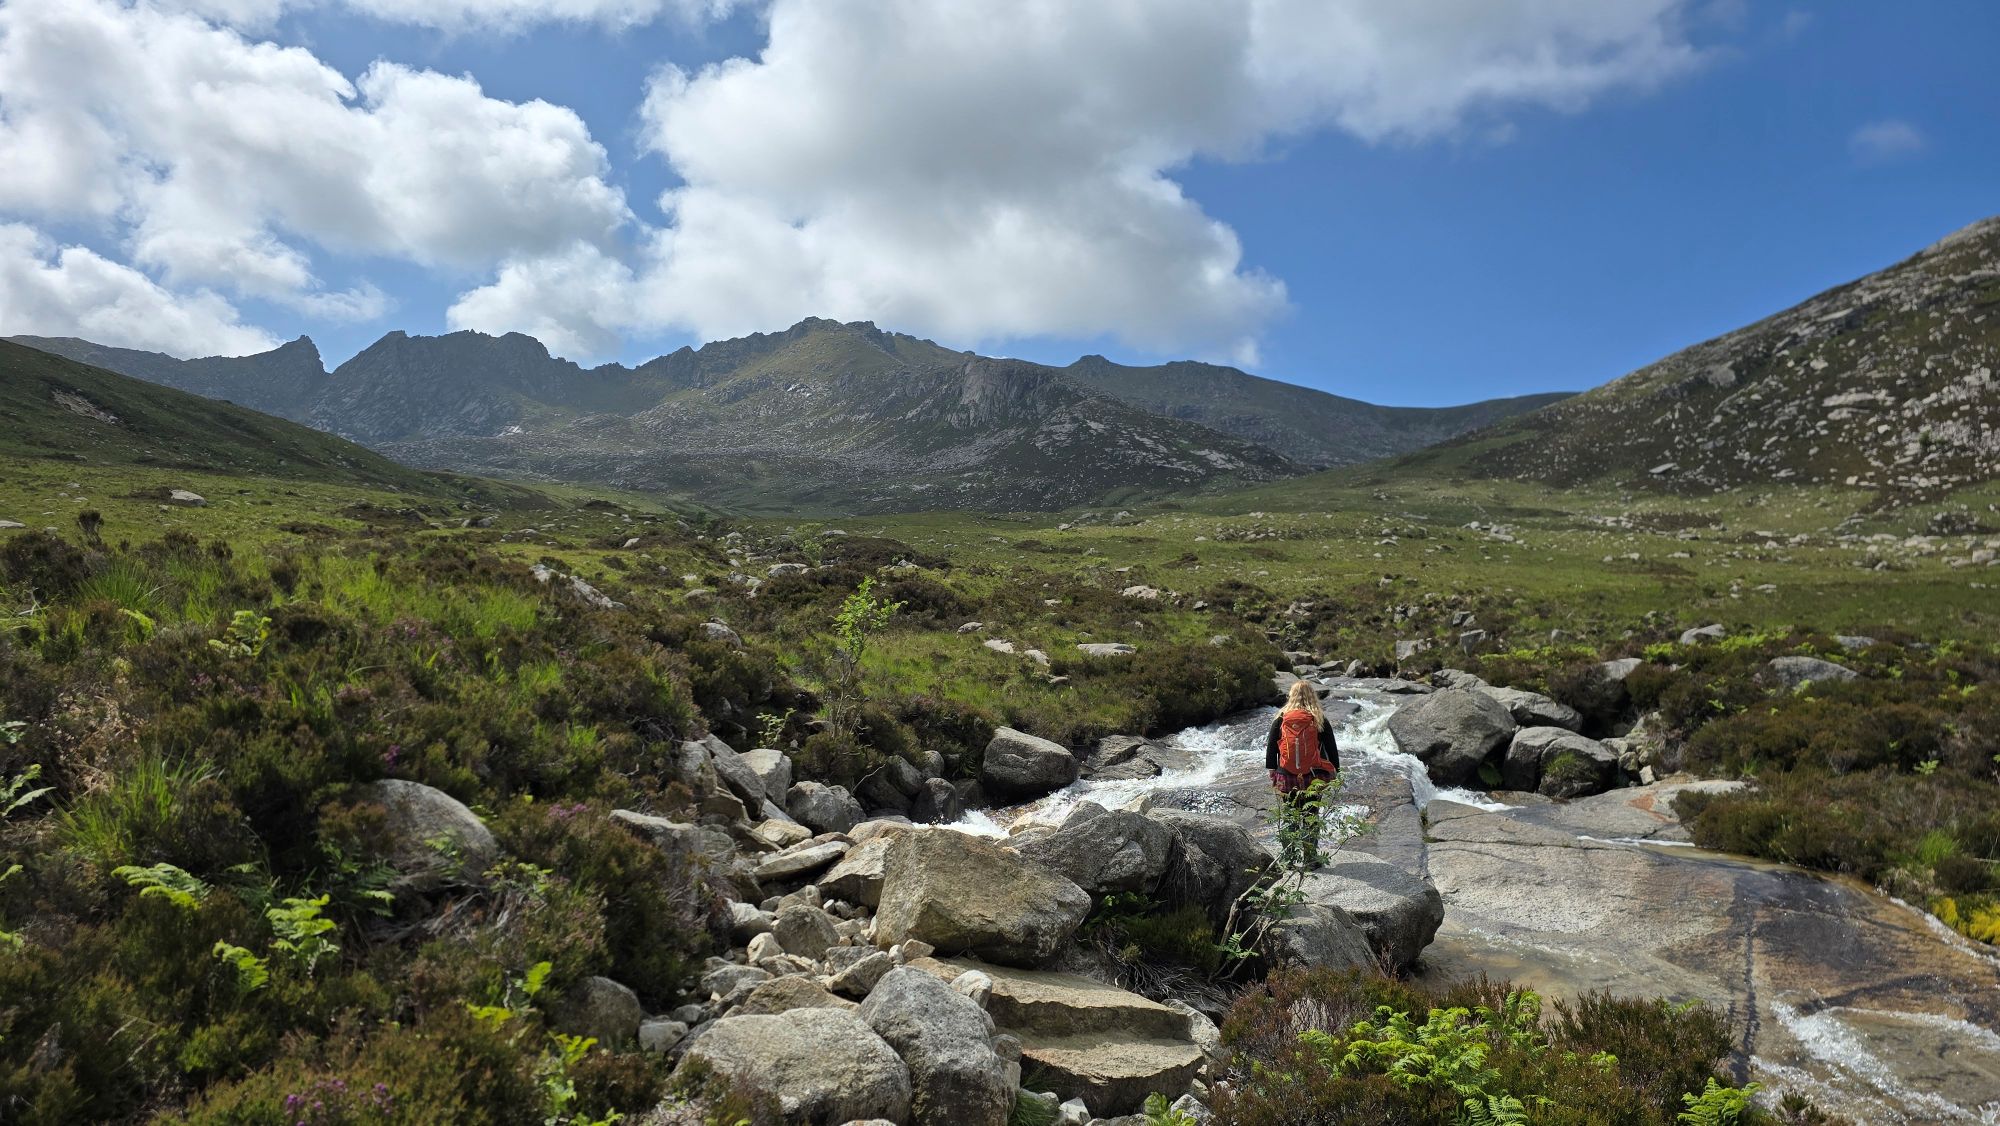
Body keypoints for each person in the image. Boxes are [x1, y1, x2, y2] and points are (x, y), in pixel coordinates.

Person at [1265, 680, 1341, 868]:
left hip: (1286, 774)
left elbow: (1271, 746)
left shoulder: (1281, 717)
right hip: (1313, 775)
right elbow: (1331, 748)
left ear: (1291, 695)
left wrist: (1273, 770)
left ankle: (1288, 859)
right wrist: (1335, 771)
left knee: (1290, 815)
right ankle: (1310, 860)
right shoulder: (1318, 718)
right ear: (1312, 696)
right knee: (1310, 815)